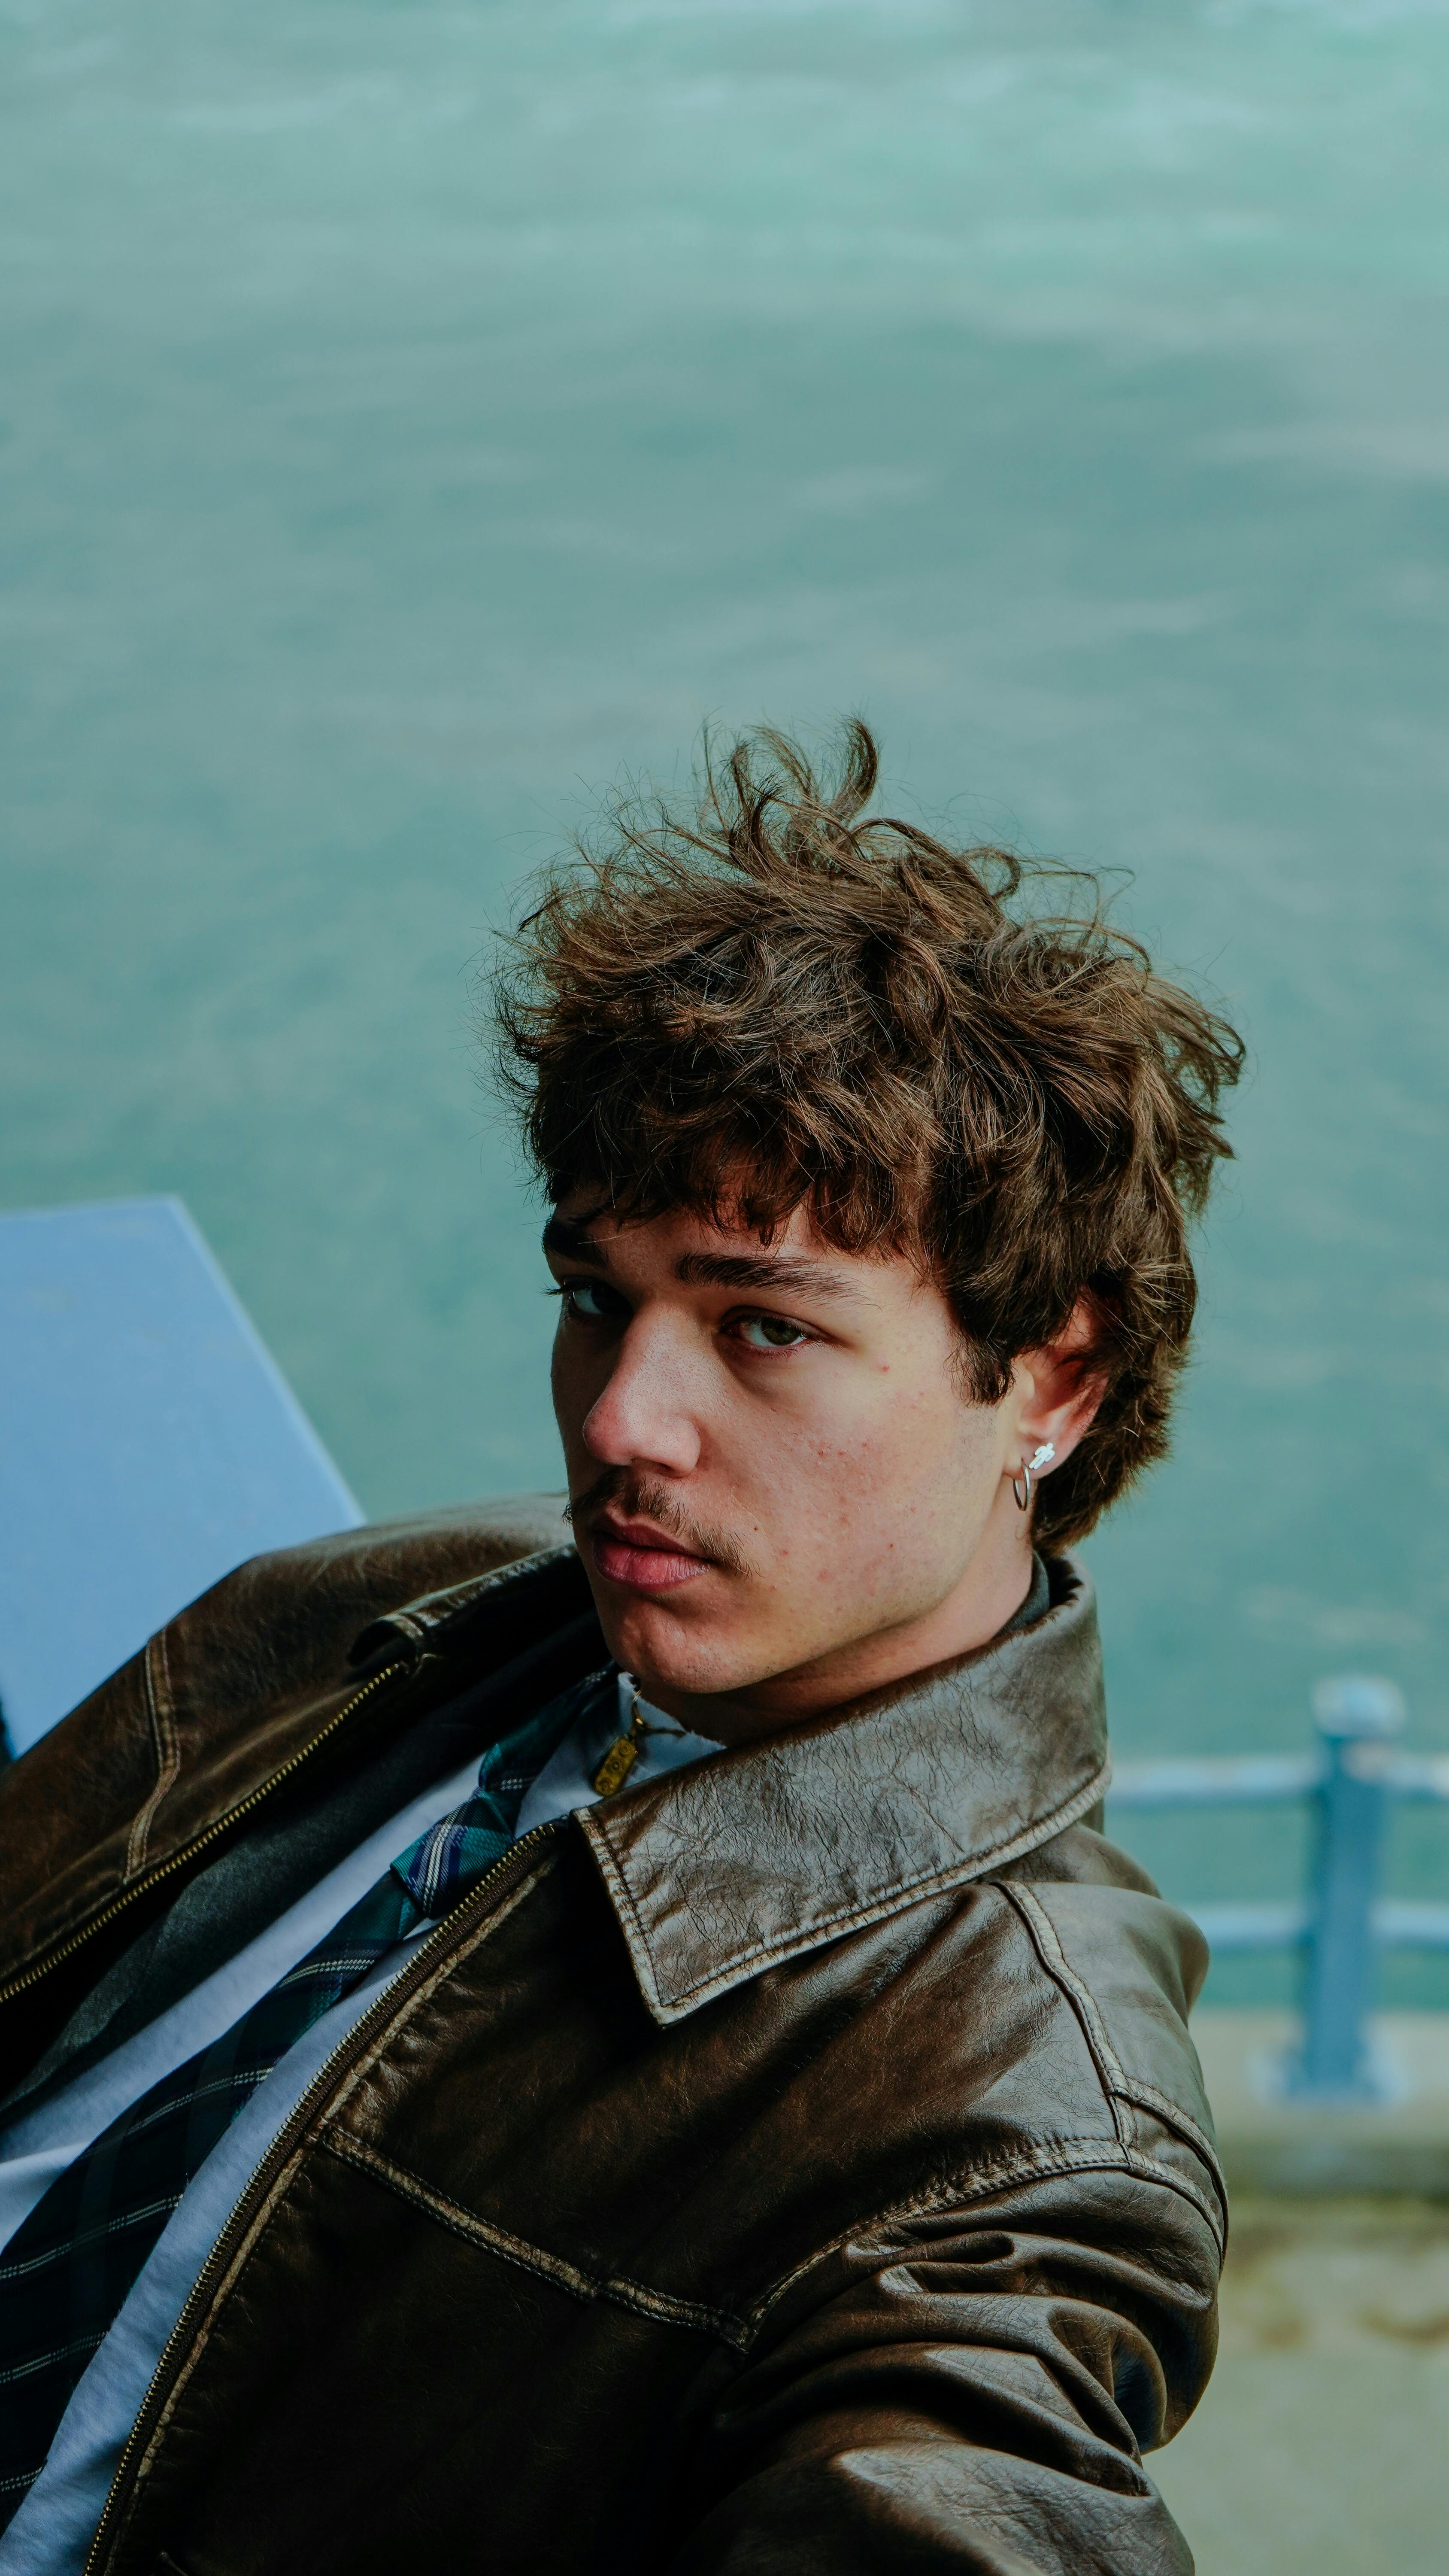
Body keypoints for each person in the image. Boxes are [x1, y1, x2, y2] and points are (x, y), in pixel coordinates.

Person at [0, 723, 1243, 2575]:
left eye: (762, 1330)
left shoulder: (1027, 2130)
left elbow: (972, 2469)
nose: (618, 1424)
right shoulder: (419, 1599)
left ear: (1047, 1379)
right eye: (601, 1299)